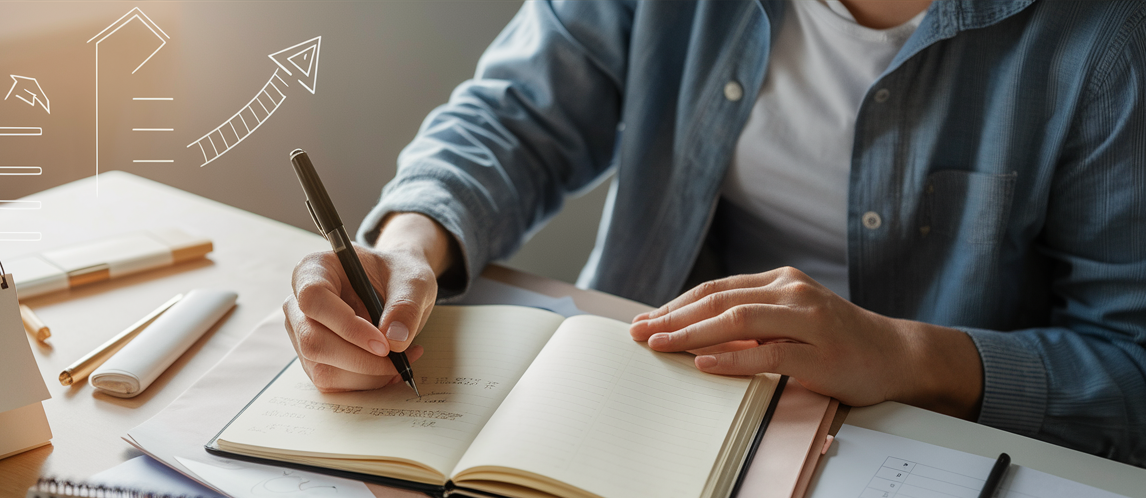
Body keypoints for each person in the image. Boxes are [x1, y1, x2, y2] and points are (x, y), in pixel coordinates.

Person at [284, 0, 1146, 466]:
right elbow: (514, 120)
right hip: (650, 413)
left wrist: (908, 356)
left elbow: (1129, 363)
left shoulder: (1107, 38)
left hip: (922, 461)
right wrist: (407, 246)